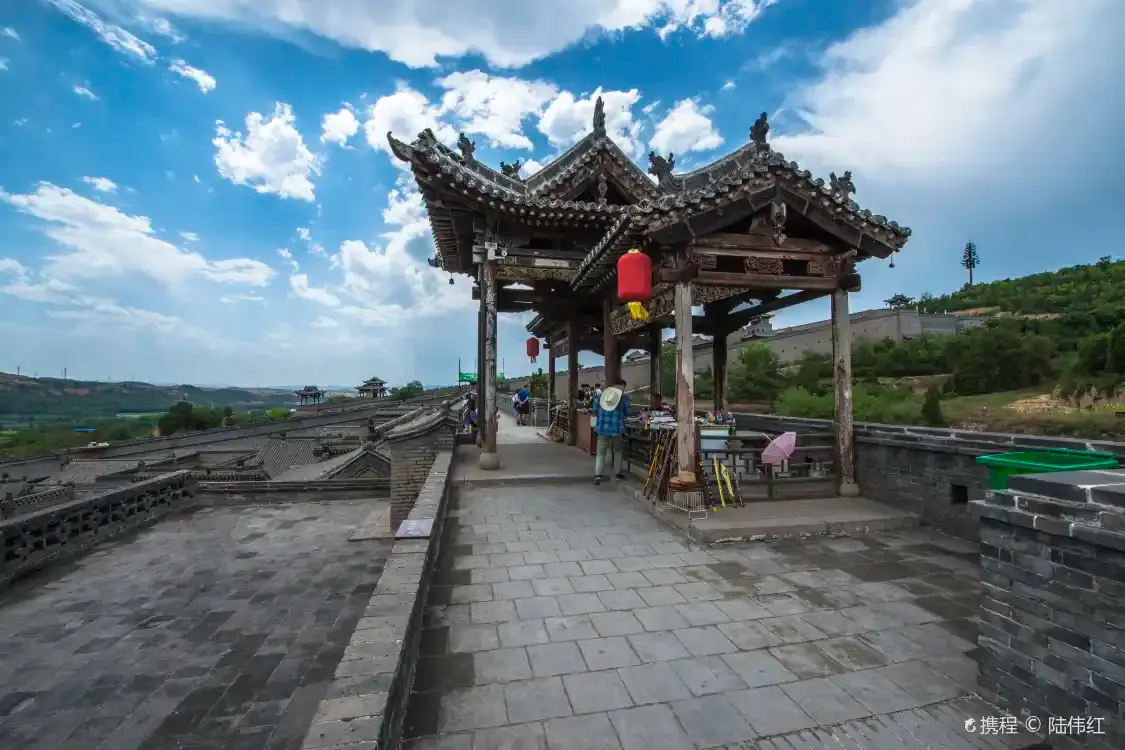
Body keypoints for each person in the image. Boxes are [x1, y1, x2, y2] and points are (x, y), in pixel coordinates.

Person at [593, 377, 630, 485]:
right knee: (617, 451)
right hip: (617, 429)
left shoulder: (601, 395)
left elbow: (594, 411)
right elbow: (628, 412)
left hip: (602, 429)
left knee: (600, 453)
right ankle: (617, 473)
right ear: (622, 387)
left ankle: (598, 475)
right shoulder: (624, 397)